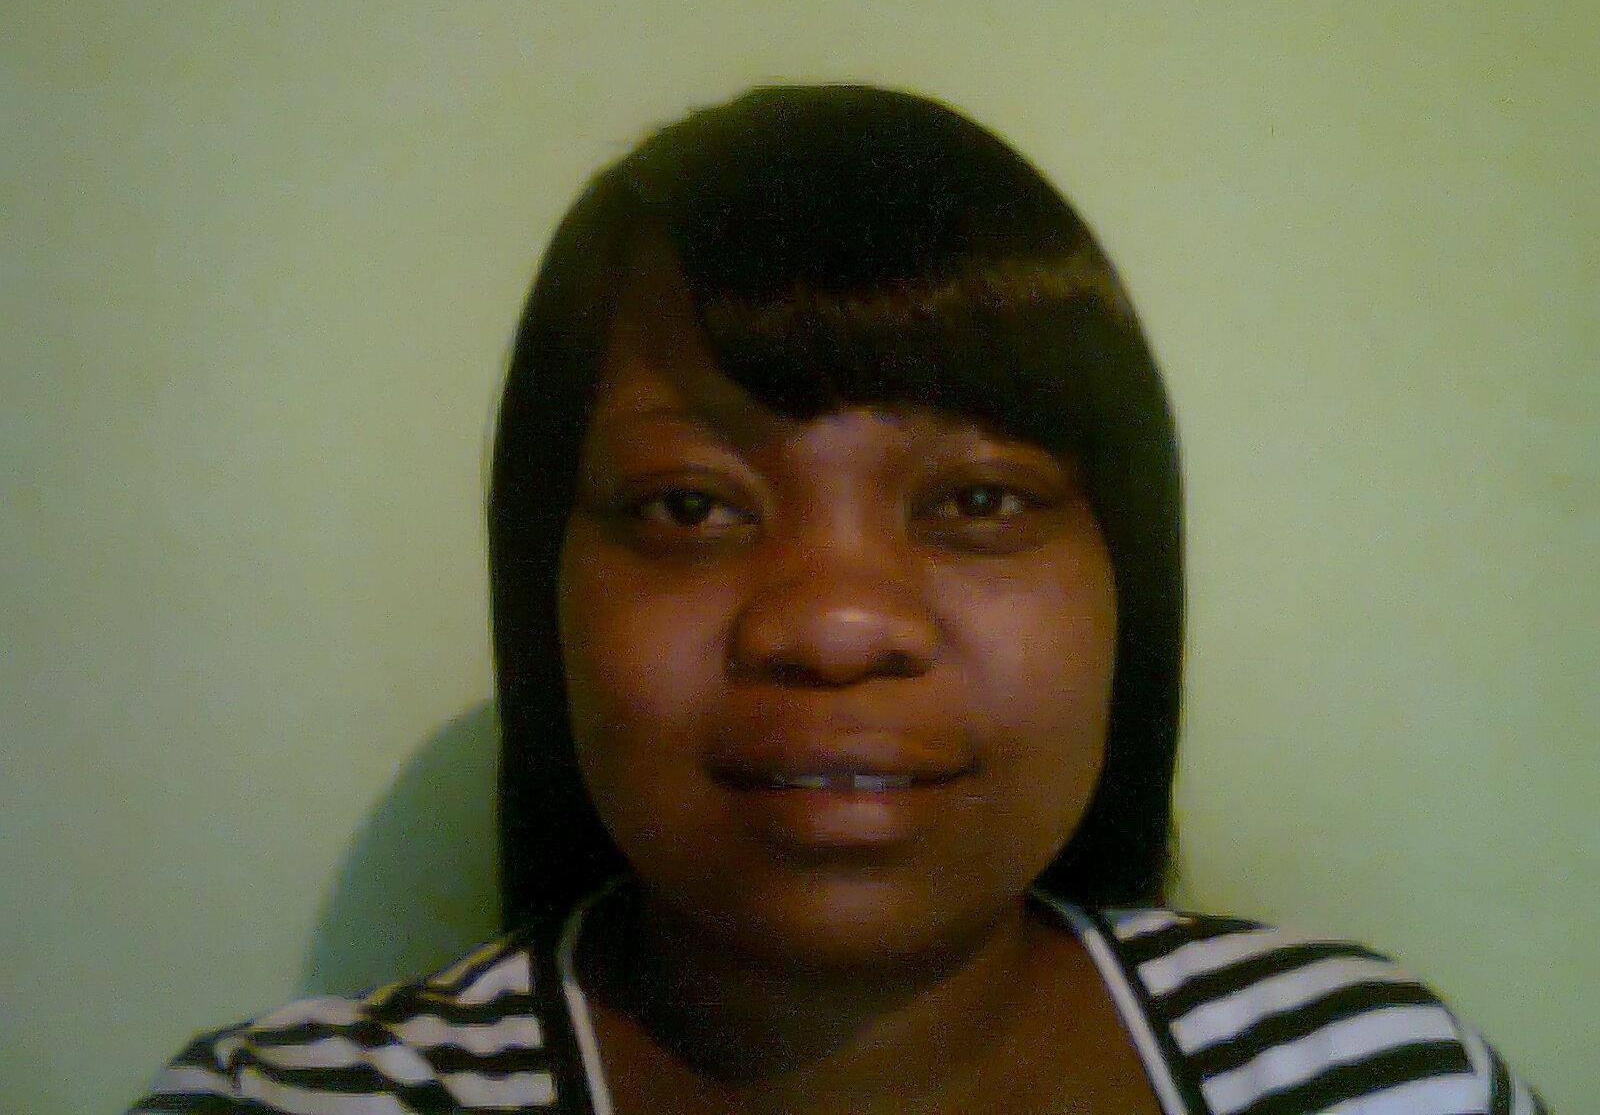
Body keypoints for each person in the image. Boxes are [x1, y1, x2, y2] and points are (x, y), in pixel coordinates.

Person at [131, 86, 1547, 1114]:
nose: (834, 627)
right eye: (689, 506)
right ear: (545, 589)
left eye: (977, 501)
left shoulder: (1379, 1071)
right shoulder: (299, 1099)